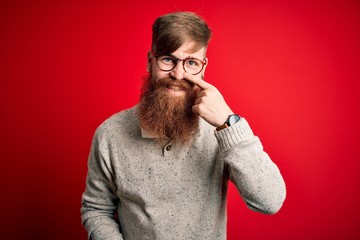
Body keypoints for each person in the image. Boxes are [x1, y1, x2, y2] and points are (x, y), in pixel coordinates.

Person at [81, 11, 286, 240]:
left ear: (203, 67)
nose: (178, 74)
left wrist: (229, 123)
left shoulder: (222, 133)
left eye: (191, 62)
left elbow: (270, 200)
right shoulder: (110, 134)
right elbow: (97, 210)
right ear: (151, 61)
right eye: (168, 59)